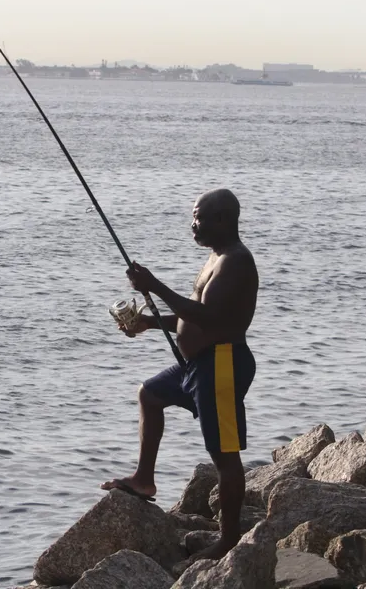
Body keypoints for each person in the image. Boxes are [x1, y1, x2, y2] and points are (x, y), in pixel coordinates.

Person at [101, 188, 259, 562]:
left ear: (222, 219)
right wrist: (147, 322)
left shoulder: (235, 262)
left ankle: (229, 540)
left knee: (224, 456)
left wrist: (154, 285)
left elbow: (209, 318)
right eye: (193, 216)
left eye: (200, 217)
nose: (193, 224)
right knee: (150, 395)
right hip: (198, 365)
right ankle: (144, 479)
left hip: (221, 364)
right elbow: (193, 316)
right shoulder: (215, 258)